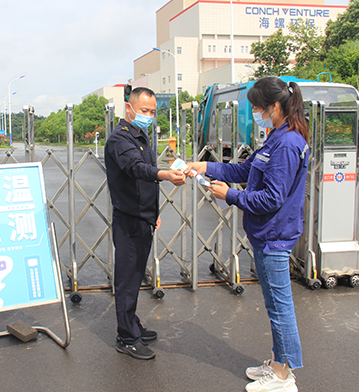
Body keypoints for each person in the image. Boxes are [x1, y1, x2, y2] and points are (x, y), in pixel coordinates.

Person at [186, 77, 308, 391]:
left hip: (275, 236)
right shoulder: (276, 137)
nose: (255, 113)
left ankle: (283, 376)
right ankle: (278, 363)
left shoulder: (288, 143)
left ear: (274, 106)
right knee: (275, 304)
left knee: (280, 307)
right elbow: (245, 170)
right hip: (266, 234)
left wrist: (230, 195)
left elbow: (272, 198)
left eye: (257, 107)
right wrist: (205, 167)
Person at [105, 87, 186, 360]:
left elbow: (144, 184)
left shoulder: (140, 135)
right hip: (129, 220)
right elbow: (137, 169)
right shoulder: (120, 139)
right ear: (129, 108)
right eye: (144, 111)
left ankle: (131, 324)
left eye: (152, 112)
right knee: (127, 279)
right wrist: (166, 174)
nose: (149, 116)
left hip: (143, 217)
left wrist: (153, 212)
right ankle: (127, 337)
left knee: (135, 275)